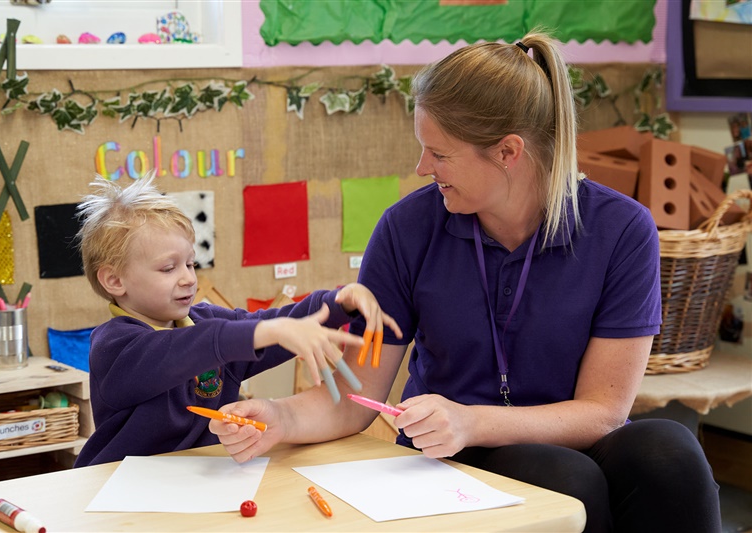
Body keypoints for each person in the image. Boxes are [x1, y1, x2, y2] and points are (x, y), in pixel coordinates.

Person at [210, 31, 721, 532]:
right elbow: (353, 396)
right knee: (564, 479)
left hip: (560, 438)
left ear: (508, 152)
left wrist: (474, 419)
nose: (421, 167)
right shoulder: (406, 228)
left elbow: (603, 414)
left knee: (668, 451)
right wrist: (278, 416)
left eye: (440, 154)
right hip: (451, 451)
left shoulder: (622, 229)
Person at [72, 172, 401, 467]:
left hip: (203, 480)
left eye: (190, 264)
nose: (188, 278)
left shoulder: (207, 322)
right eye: (168, 268)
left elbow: (268, 325)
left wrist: (336, 304)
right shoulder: (114, 346)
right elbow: (178, 351)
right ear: (114, 281)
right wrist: (266, 330)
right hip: (122, 488)